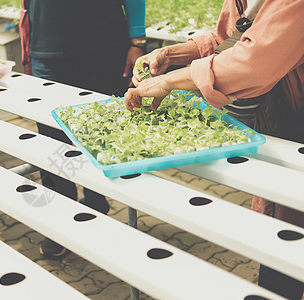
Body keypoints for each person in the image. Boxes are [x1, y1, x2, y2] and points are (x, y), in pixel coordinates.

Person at [125, 0, 303, 299]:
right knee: (281, 225)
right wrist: (171, 54)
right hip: (285, 121)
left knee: (291, 230)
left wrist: (170, 81)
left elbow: (253, 62)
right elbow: (230, 36)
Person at [0, 0, 146, 258]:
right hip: (50, 51)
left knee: (99, 134)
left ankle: (96, 199)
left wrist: (137, 41)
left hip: (106, 47)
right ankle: (61, 220)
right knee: (53, 142)